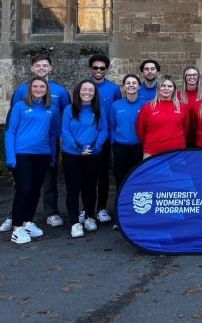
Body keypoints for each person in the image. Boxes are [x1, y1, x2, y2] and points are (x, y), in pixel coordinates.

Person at [0, 54, 70, 233]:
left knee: (46, 181)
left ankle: (47, 214)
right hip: (22, 149)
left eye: (45, 65)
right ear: (32, 68)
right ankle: (14, 218)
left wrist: (59, 146)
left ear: (50, 67)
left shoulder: (59, 92)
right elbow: (11, 125)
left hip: (46, 147)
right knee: (22, 185)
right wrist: (10, 155)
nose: (41, 68)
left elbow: (64, 118)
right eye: (37, 65)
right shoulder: (21, 93)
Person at [5, 77, 60, 244]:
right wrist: (10, 156)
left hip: (43, 154)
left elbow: (53, 133)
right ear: (30, 89)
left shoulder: (52, 108)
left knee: (36, 189)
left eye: (42, 86)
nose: (38, 89)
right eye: (35, 86)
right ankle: (16, 228)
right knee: (24, 188)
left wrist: (53, 154)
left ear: (47, 89)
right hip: (22, 153)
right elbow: (10, 131)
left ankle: (27, 222)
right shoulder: (20, 106)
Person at [61, 80, 108, 238]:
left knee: (90, 188)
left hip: (93, 155)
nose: (87, 92)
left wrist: (95, 146)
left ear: (95, 94)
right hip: (72, 155)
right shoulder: (69, 109)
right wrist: (79, 148)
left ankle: (89, 216)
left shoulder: (100, 110)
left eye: (91, 90)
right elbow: (65, 131)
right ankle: (75, 222)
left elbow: (104, 130)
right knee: (73, 189)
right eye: (84, 89)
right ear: (78, 91)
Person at [87, 54, 122, 224]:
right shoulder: (83, 87)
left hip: (106, 138)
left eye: (102, 68)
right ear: (90, 69)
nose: (98, 71)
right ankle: (86, 209)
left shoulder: (114, 89)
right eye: (95, 68)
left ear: (106, 69)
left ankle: (101, 207)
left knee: (103, 174)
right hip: (87, 137)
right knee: (87, 174)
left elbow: (117, 113)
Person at [110, 74, 144, 207]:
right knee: (120, 178)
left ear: (139, 86)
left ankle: (137, 208)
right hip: (120, 148)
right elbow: (112, 126)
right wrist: (114, 141)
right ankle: (121, 208)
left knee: (138, 178)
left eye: (134, 83)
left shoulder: (145, 104)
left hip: (139, 147)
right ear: (123, 87)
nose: (131, 85)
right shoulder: (116, 105)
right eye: (128, 83)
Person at [136, 75, 189, 158]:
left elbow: (186, 128)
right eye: (163, 86)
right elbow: (141, 130)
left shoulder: (182, 107)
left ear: (174, 89)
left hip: (177, 152)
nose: (166, 88)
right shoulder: (148, 107)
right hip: (152, 152)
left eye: (170, 86)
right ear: (158, 88)